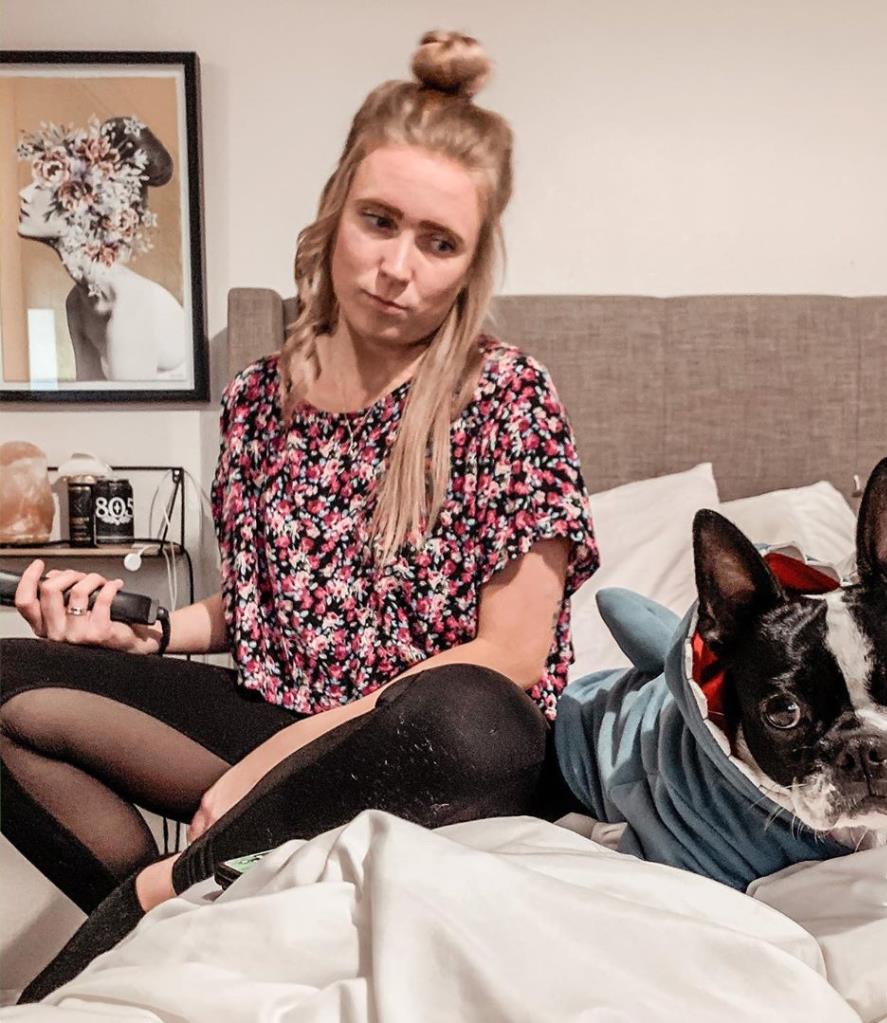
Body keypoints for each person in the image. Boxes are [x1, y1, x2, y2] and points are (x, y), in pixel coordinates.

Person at [1, 31, 598, 1003]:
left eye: (437, 242)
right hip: (276, 713)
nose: (397, 267)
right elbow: (260, 610)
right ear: (337, 209)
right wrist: (148, 631)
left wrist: (284, 755)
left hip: (417, 746)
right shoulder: (257, 396)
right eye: (379, 221)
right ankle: (163, 914)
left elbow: (513, 654)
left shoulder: (506, 395)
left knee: (477, 717)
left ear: (470, 262)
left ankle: (171, 890)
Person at [16, 114, 187, 382]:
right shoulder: (77, 303)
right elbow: (89, 398)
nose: (24, 194)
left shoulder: (133, 306)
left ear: (80, 202)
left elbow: (130, 409)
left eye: (43, 184)